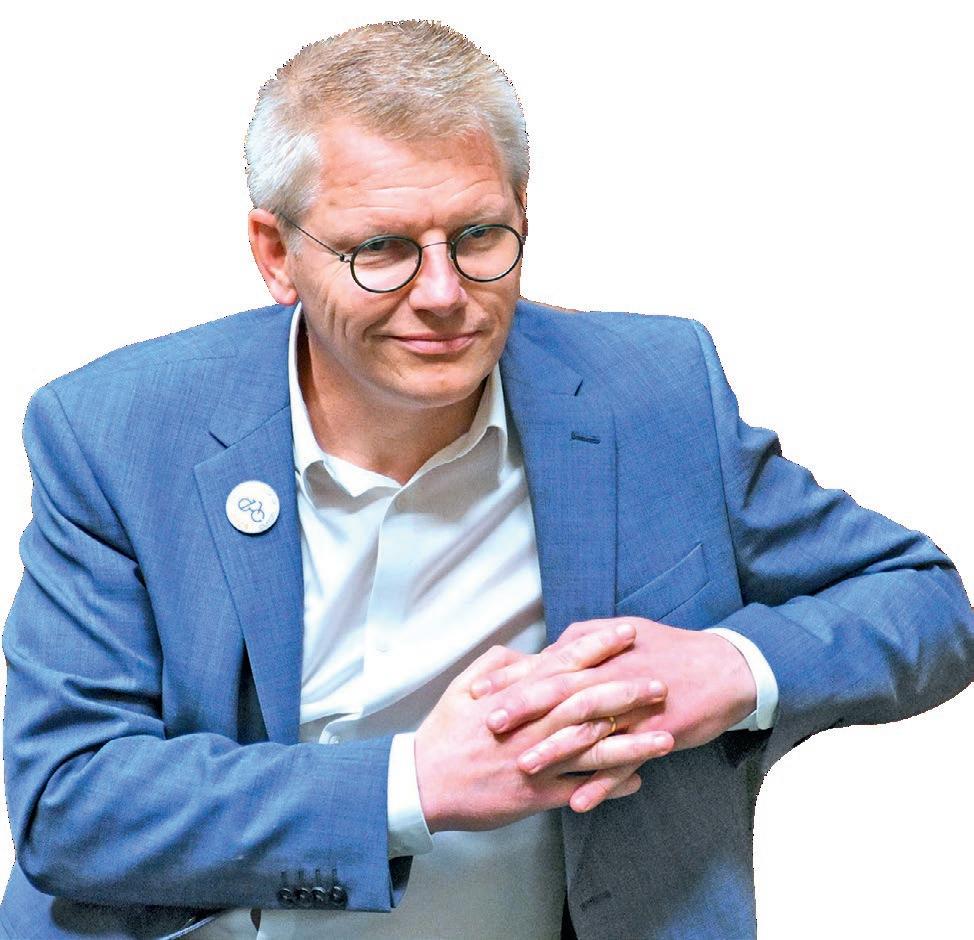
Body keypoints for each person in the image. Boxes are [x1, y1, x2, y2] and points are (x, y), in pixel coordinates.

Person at [1, 18, 972, 940]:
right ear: (275, 253)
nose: (441, 294)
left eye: (477, 236)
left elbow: (924, 600)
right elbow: (68, 802)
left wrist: (730, 668)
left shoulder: (652, 393)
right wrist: (415, 785)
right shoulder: (117, 432)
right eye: (380, 249)